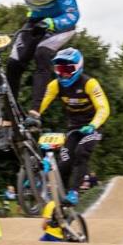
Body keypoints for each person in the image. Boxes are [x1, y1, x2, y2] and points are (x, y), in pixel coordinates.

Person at [23, 48, 108, 206]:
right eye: (60, 69)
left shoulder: (89, 83)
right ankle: (57, 197)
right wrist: (32, 116)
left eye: (68, 69)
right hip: (73, 127)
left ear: (78, 68)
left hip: (93, 127)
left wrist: (93, 125)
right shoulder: (55, 85)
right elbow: (42, 102)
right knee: (64, 162)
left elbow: (104, 108)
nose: (63, 74)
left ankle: (74, 192)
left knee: (81, 152)